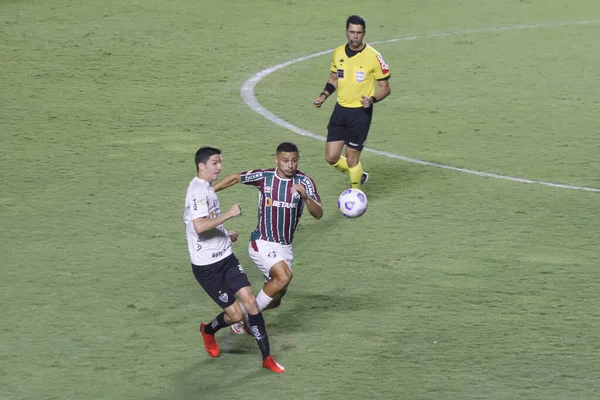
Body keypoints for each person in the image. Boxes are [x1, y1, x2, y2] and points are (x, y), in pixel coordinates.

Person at [183, 146, 284, 373]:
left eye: (220, 162)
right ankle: (208, 331)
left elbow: (196, 224)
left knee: (250, 303)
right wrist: (229, 214)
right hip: (208, 268)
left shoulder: (206, 188)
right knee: (236, 315)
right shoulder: (197, 191)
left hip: (226, 258)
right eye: (215, 163)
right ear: (202, 165)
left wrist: (224, 234)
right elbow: (198, 226)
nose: (220, 167)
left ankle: (267, 357)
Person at [212, 142, 323, 332]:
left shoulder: (305, 182)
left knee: (276, 299)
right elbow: (236, 177)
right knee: (285, 276)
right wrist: (210, 191)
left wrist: (306, 197)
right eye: (285, 161)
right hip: (261, 241)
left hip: (284, 248)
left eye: (294, 161)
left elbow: (318, 213)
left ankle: (242, 317)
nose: (290, 165)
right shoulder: (265, 177)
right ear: (276, 159)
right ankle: (246, 319)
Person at [313, 14, 391, 188]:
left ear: (364, 33)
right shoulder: (338, 52)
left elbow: (386, 88)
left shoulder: (374, 56)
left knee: (351, 158)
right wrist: (323, 96)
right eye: (352, 32)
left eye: (359, 33)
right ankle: (358, 175)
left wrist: (372, 99)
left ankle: (356, 194)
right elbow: (334, 79)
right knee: (331, 157)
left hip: (360, 113)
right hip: (340, 110)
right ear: (346, 32)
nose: (355, 36)